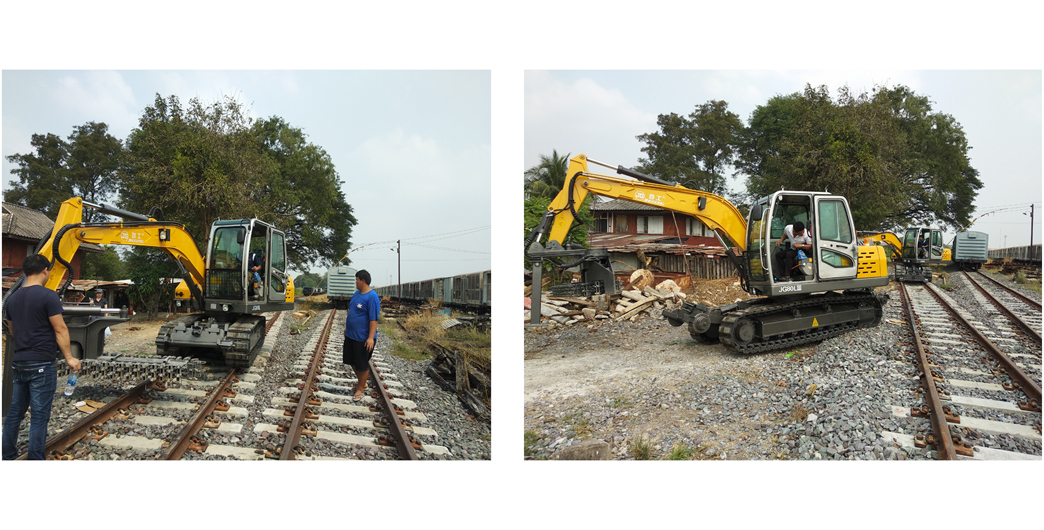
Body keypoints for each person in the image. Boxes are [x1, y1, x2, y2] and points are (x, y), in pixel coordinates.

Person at [2, 254, 82, 460]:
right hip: (41, 365)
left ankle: (7, 456)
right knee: (39, 416)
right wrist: (70, 358)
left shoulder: (12, 299)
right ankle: (36, 460)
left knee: (14, 413)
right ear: (45, 271)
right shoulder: (48, 296)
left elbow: (12, 330)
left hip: (19, 362)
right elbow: (60, 329)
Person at [343, 269, 380, 400]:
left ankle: (360, 389)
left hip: (362, 338)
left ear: (363, 281)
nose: (356, 282)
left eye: (357, 280)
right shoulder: (357, 294)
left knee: (362, 364)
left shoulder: (372, 297)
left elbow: (373, 319)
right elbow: (352, 312)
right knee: (351, 361)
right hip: (351, 335)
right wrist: (347, 328)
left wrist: (370, 338)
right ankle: (362, 382)